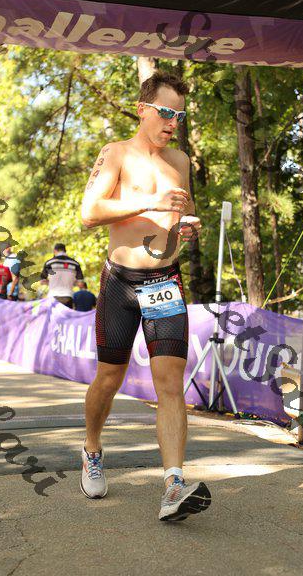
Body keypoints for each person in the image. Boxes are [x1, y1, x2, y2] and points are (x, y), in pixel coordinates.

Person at [80, 71, 210, 522]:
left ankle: (174, 483)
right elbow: (89, 212)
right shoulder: (116, 153)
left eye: (180, 115)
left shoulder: (180, 160)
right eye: (166, 112)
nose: (173, 122)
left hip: (164, 283)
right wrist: (150, 203)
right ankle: (92, 448)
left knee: (170, 383)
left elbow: (180, 214)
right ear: (142, 109)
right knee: (109, 378)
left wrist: (186, 227)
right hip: (120, 281)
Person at [40, 243, 84, 308]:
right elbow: (81, 284)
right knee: (67, 315)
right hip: (68, 297)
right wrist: (72, 282)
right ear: (65, 251)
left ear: (55, 251)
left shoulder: (49, 263)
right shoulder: (75, 264)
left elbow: (42, 282)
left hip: (53, 296)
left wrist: (51, 282)